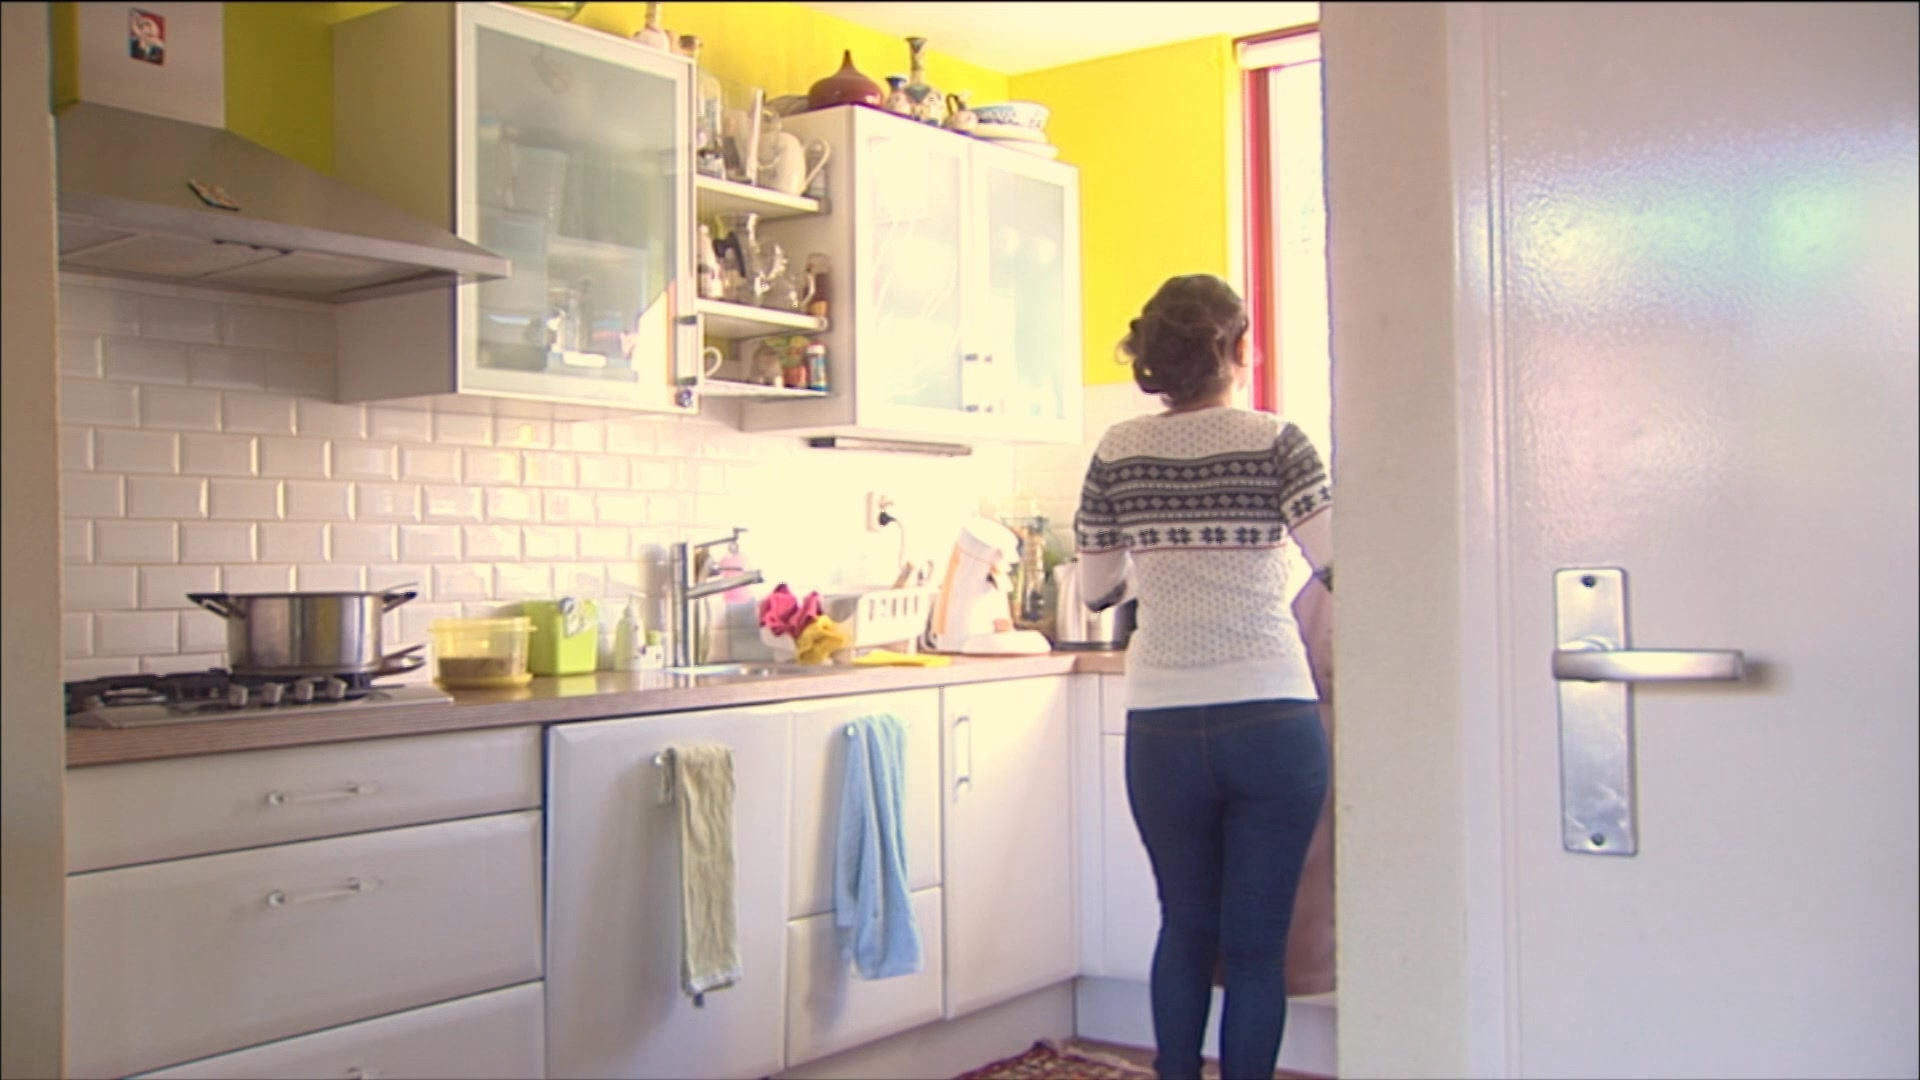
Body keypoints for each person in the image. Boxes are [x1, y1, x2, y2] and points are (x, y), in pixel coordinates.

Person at [1074, 273, 1332, 1080]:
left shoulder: (1117, 450)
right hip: (1274, 718)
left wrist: (1160, 561)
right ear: (1239, 348)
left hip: (1164, 724)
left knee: (1185, 927)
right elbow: (1340, 563)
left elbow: (1096, 590)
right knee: (1256, 945)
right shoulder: (1279, 441)